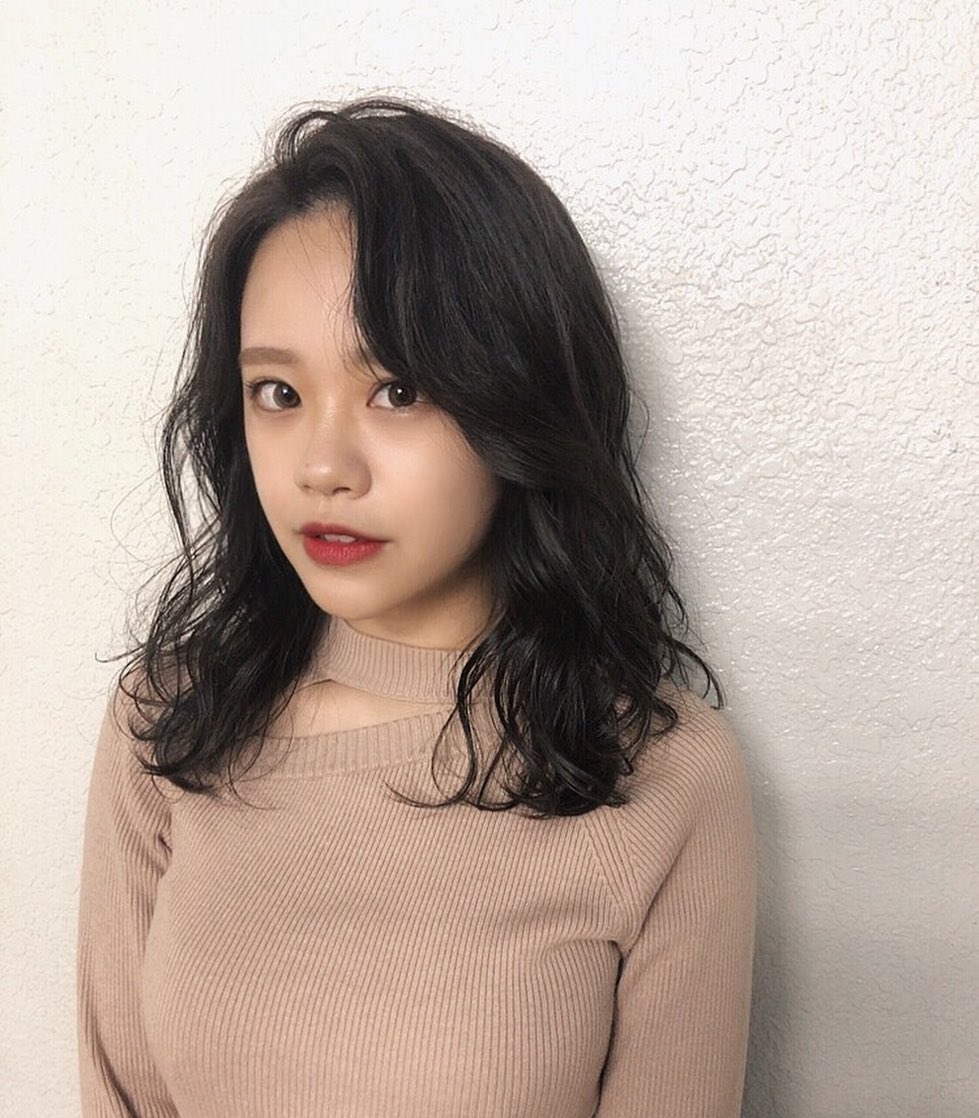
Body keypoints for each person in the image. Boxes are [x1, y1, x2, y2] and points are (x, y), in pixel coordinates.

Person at [77, 97, 757, 1117]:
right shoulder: (170, 720)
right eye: (277, 393)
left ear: (516, 398)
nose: (322, 467)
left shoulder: (658, 771)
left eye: (397, 390)